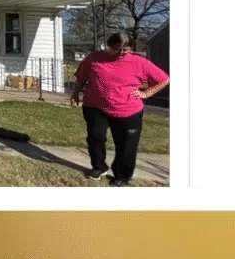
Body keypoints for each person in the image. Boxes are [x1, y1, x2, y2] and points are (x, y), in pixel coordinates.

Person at [70, 32, 169, 184]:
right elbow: (81, 77)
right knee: (95, 138)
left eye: (126, 49)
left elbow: (163, 79)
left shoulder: (139, 62)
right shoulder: (94, 58)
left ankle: (122, 176)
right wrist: (75, 93)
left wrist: (146, 93)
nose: (122, 52)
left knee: (126, 145)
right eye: (117, 49)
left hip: (128, 111)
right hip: (95, 107)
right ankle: (99, 167)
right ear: (109, 45)